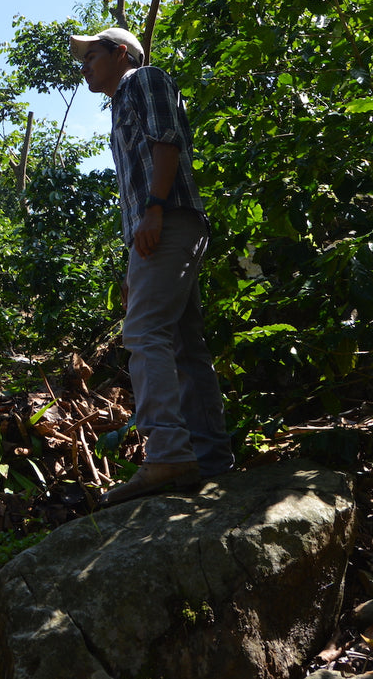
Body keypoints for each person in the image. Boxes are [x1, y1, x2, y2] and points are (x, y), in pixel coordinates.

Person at [70, 26, 234, 504]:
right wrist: (133, 262)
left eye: (91, 57)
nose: (85, 68)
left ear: (121, 53)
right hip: (158, 230)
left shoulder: (144, 80)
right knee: (183, 343)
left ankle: (167, 453)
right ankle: (208, 459)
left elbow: (167, 144)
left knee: (143, 335)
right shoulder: (120, 102)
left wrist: (157, 208)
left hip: (168, 220)